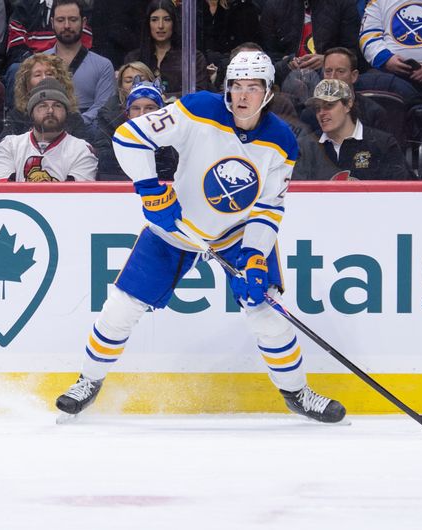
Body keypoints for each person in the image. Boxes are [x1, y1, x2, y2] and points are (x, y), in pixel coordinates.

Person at [55, 50, 346, 423]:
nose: (242, 95)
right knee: (121, 308)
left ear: (268, 91)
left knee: (267, 316)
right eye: (236, 86)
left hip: (237, 235)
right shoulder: (198, 109)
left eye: (253, 87)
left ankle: (297, 393)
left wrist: (255, 256)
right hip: (176, 228)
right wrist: (150, 190)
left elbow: (268, 208)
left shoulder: (282, 141)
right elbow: (129, 137)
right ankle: (88, 382)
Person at [359, 0, 422, 124]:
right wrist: (386, 59)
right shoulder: (379, 1)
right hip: (391, 70)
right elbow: (368, 35)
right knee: (372, 82)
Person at [297, 78, 411, 180]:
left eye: (329, 105)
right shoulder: (304, 147)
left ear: (348, 104)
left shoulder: (383, 144)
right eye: (317, 108)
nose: (321, 113)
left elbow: (403, 190)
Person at [0, 77, 98, 182]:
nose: (50, 110)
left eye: (57, 106)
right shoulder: (9, 146)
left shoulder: (81, 150)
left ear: (66, 113)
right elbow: (1, 190)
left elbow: (77, 192)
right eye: (43, 106)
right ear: (31, 113)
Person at [0, 53, 102, 155]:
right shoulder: (17, 116)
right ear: (26, 83)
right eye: (37, 75)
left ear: (60, 81)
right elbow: (2, 149)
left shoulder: (72, 116)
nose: (45, 78)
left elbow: (86, 152)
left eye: (49, 74)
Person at [261, 0, 361, 99]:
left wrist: (327, 60)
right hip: (287, 75)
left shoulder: (344, 4)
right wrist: (286, 62)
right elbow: (266, 54)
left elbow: (352, 52)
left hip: (327, 73)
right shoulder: (273, 5)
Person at [43, 0, 115, 126]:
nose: (67, 25)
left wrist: (74, 124)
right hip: (45, 127)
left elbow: (103, 107)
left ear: (84, 22)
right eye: (60, 20)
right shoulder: (38, 63)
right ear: (52, 23)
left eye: (73, 19)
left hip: (87, 131)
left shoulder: (103, 66)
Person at [123, 0, 211, 95]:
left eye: (167, 19)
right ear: (148, 24)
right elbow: (125, 93)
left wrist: (165, 98)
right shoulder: (134, 58)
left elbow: (199, 92)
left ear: (174, 23)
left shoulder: (192, 58)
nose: (160, 26)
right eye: (154, 20)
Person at [98, 78, 178, 181]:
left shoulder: (175, 148)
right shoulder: (111, 149)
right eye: (136, 108)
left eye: (149, 108)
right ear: (127, 114)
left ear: (161, 113)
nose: (142, 114)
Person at [97, 60, 155, 140]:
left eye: (141, 80)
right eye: (129, 81)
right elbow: (104, 145)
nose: (135, 84)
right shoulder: (108, 113)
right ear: (121, 86)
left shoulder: (166, 109)